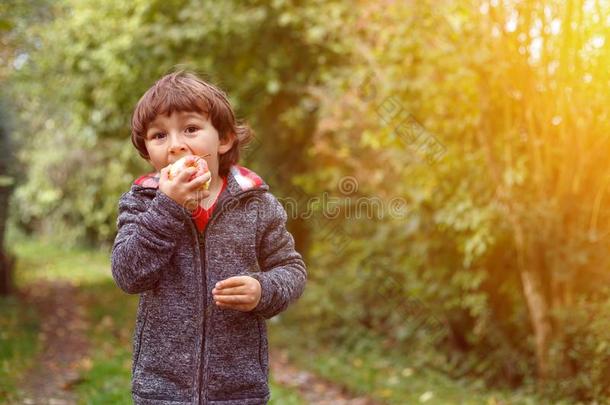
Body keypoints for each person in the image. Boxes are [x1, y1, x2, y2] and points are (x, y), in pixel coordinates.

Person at [111, 70, 307, 405]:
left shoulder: (256, 205)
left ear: (225, 139)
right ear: (146, 151)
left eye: (190, 129)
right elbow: (128, 274)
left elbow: (291, 270)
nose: (176, 145)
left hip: (238, 389)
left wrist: (263, 289)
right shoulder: (141, 204)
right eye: (159, 136)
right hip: (162, 389)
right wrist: (168, 206)